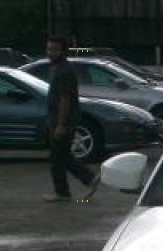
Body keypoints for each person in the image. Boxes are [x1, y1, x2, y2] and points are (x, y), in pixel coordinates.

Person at [43, 36, 99, 202]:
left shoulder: (64, 71)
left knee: (57, 157)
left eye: (54, 49)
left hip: (64, 122)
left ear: (63, 51)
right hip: (57, 119)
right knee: (61, 156)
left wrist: (60, 125)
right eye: (49, 49)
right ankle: (82, 182)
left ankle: (69, 189)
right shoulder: (56, 68)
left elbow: (65, 99)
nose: (50, 52)